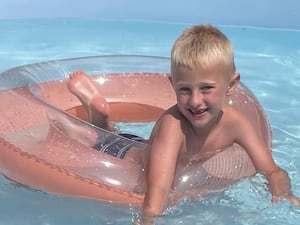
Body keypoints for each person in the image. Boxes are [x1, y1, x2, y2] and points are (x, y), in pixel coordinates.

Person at [67, 24, 300, 225]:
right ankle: (99, 118)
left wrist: (284, 197)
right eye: (184, 90)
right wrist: (147, 221)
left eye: (207, 88)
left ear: (231, 85)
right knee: (96, 140)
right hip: (125, 153)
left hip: (155, 150)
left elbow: (272, 170)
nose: (195, 101)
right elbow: (157, 192)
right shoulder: (173, 126)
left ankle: (103, 121)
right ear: (173, 85)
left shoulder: (236, 122)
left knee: (117, 136)